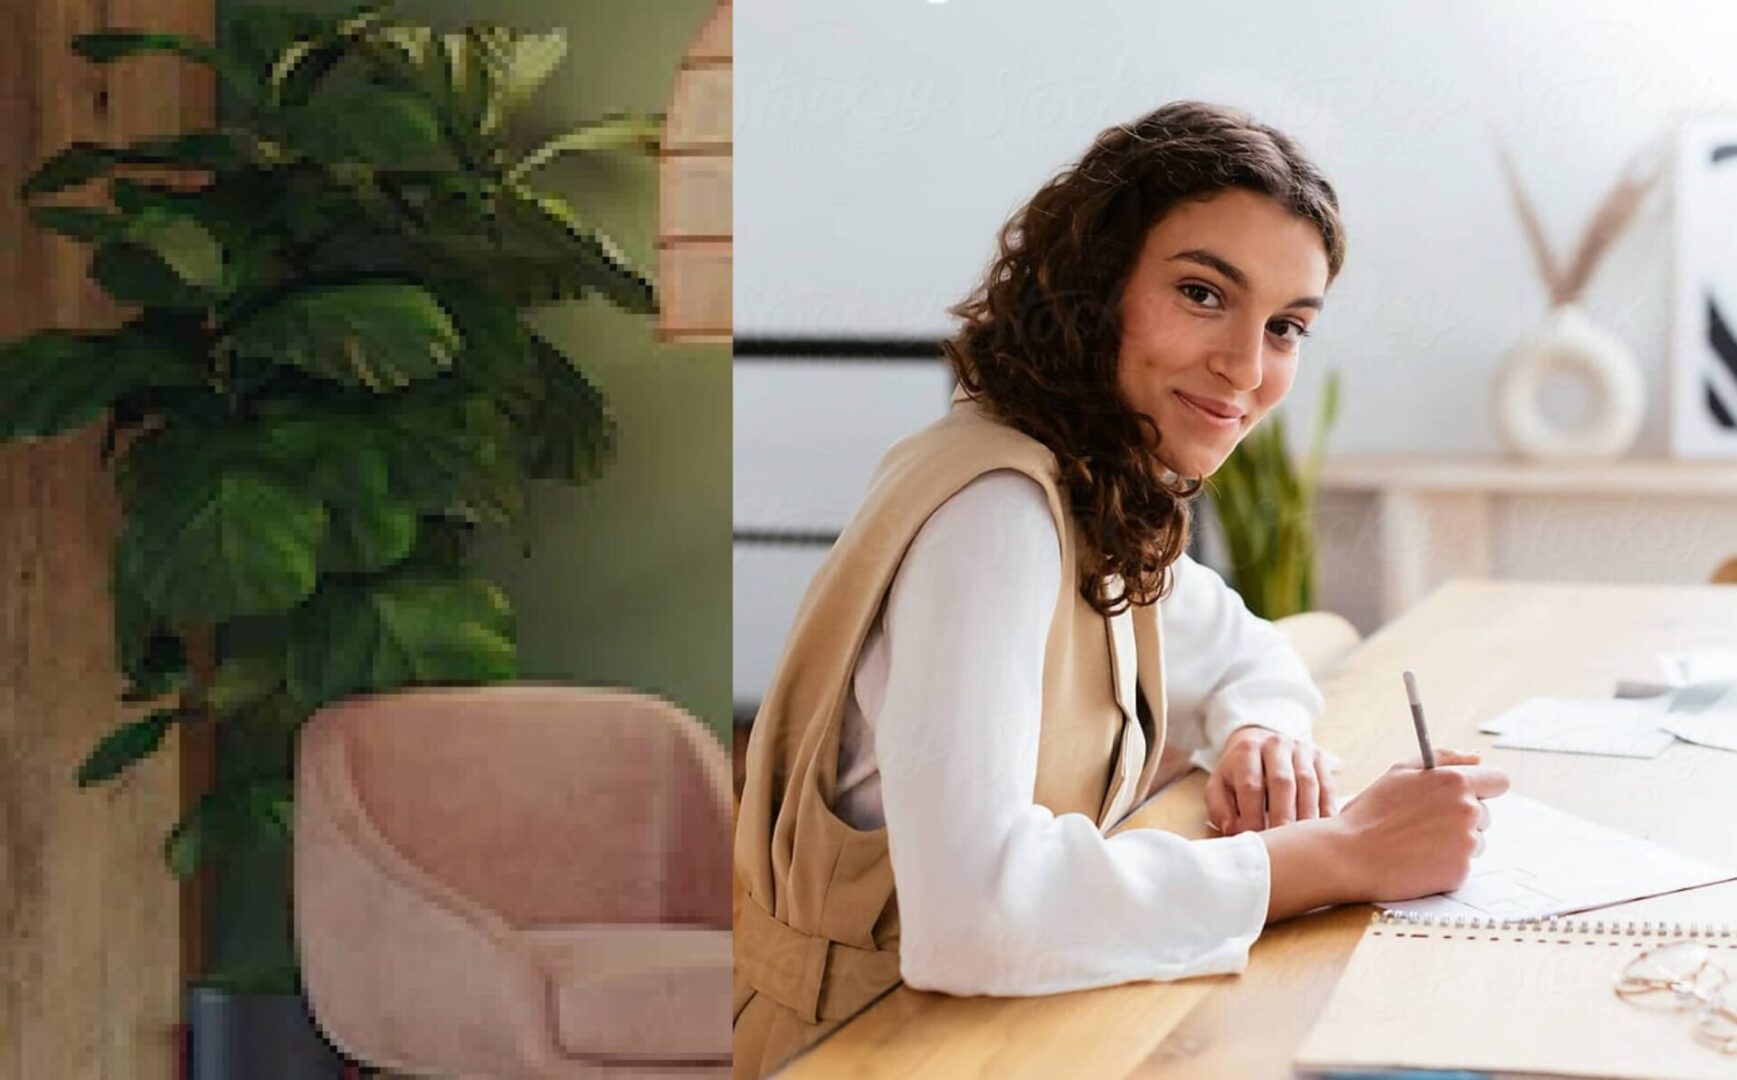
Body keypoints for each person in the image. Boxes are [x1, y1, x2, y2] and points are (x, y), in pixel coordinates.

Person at [732, 100, 1508, 1079]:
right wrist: (1344, 856)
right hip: (866, 1050)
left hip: (988, 1037)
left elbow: (1242, 647)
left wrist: (1260, 730)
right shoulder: (997, 520)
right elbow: (975, 915)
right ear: (1095, 287)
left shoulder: (1083, 490)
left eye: (1285, 327)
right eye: (1201, 293)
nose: (1245, 366)